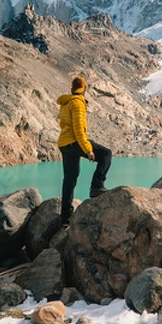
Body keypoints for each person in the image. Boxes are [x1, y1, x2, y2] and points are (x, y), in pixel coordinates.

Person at [57, 75, 112, 227]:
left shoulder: (65, 102)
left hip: (64, 143)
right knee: (106, 154)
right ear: (84, 90)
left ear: (72, 89)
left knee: (70, 178)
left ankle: (65, 219)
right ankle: (97, 186)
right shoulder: (78, 104)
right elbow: (79, 130)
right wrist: (88, 150)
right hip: (75, 141)